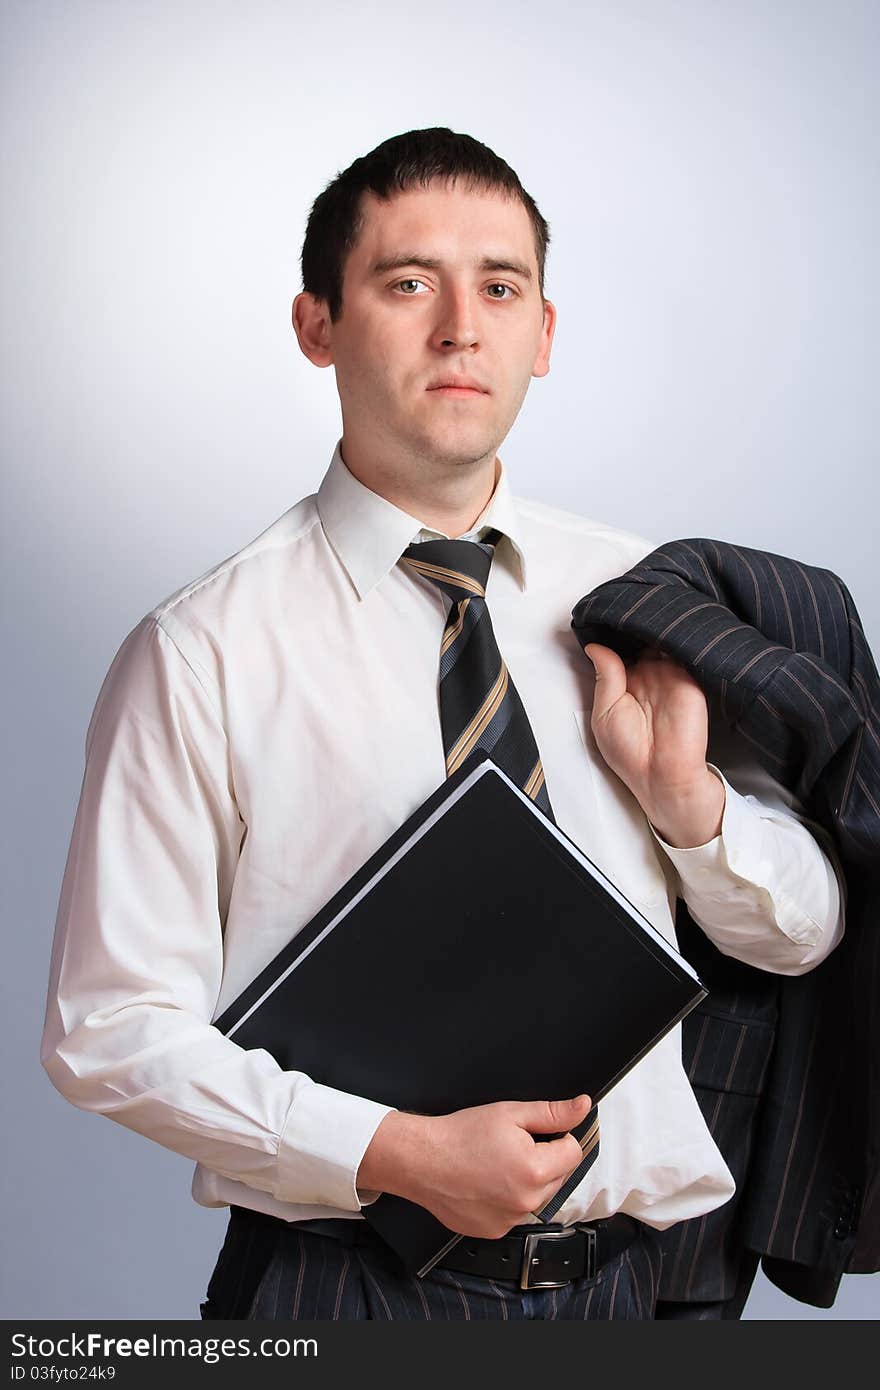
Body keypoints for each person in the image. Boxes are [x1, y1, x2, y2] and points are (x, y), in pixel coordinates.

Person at [41, 127, 845, 1321]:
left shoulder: (650, 601)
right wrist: (394, 1154)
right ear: (318, 325)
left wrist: (690, 807)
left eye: (500, 287)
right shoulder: (201, 650)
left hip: (643, 1291)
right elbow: (108, 1030)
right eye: (407, 282)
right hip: (345, 1290)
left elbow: (804, 936)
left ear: (544, 332)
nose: (460, 326)